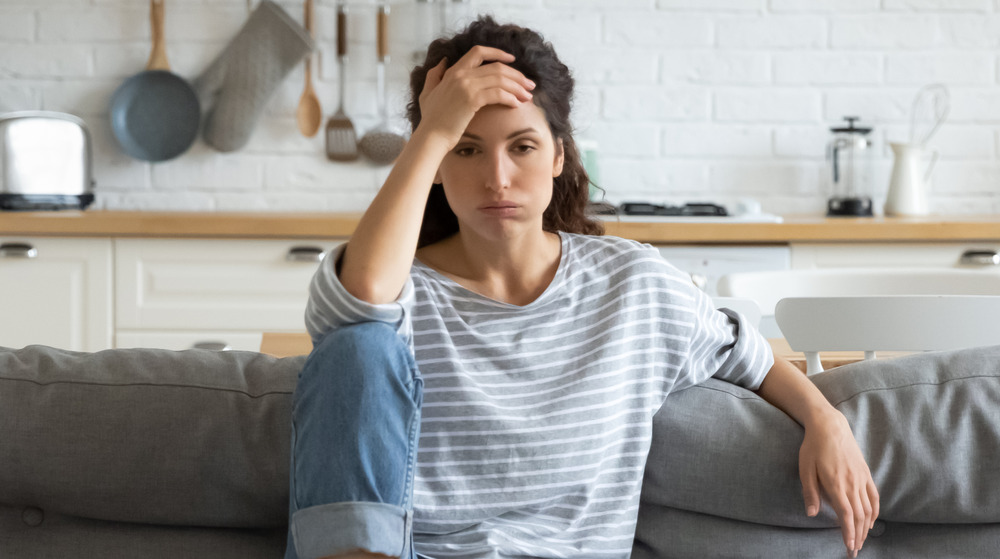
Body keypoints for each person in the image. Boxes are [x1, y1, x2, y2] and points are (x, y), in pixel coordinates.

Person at [285, 16, 879, 559]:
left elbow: (744, 353)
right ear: (436, 165)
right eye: (466, 149)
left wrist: (827, 420)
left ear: (557, 157)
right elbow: (360, 296)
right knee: (356, 344)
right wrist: (433, 129)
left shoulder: (632, 286)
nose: (497, 177)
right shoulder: (398, 290)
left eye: (522, 146)